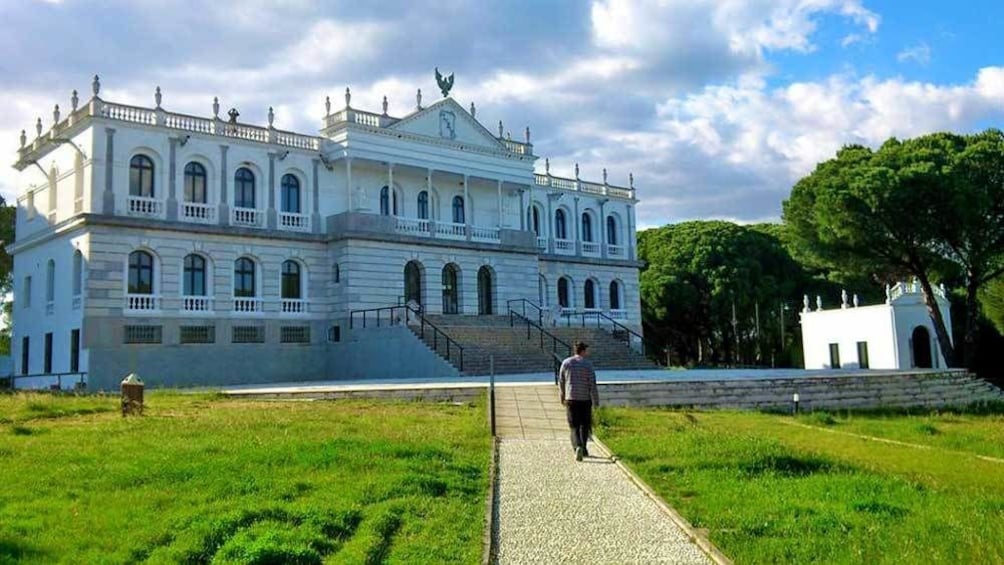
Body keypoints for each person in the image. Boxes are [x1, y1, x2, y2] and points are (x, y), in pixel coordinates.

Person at [558, 341, 599, 461]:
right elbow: (592, 383)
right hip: (585, 399)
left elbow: (561, 381)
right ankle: (584, 448)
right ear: (583, 351)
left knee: (574, 426)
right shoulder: (588, 365)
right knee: (584, 425)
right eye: (586, 350)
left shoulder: (566, 363)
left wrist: (562, 396)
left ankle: (577, 447)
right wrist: (596, 400)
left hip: (571, 399)